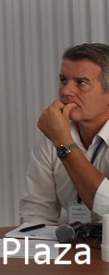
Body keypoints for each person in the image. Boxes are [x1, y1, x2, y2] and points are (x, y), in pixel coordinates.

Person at [19, 43, 109, 225]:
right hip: (73, 241)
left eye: (81, 83)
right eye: (63, 80)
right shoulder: (53, 136)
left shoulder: (58, 136)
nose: (66, 91)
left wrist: (64, 144)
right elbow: (36, 213)